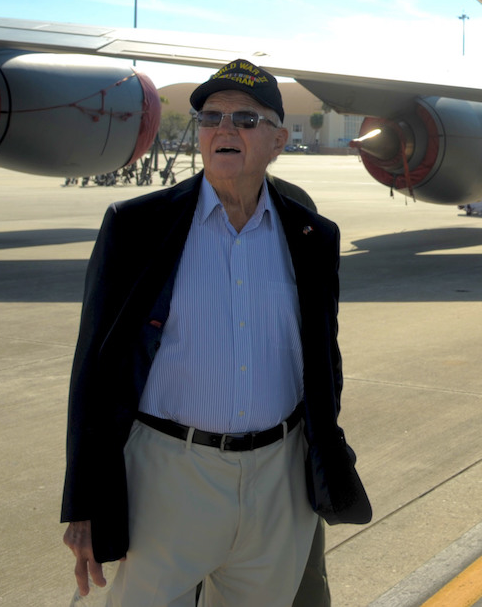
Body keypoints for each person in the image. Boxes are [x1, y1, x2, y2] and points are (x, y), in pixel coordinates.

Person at [61, 59, 371, 606]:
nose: (225, 130)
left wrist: (323, 458)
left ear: (278, 139)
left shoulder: (312, 236)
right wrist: (83, 501)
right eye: (211, 118)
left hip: (279, 481)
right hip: (168, 477)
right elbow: (95, 368)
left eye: (246, 120)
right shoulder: (136, 227)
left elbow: (324, 362)